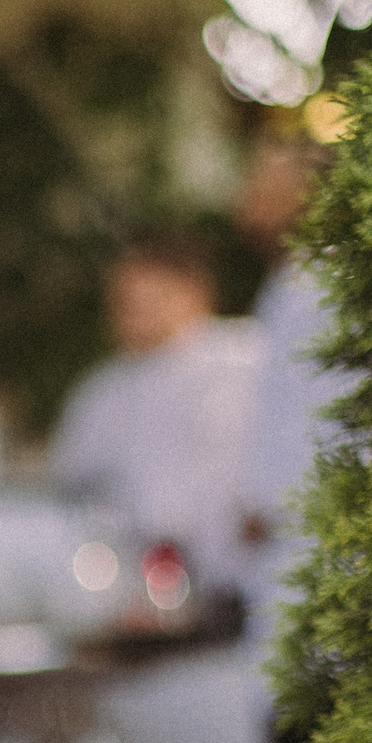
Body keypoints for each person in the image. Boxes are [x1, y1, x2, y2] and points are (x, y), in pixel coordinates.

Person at [48, 229, 264, 601]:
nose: (134, 312)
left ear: (194, 292)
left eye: (150, 297)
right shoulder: (100, 393)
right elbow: (73, 498)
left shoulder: (242, 357)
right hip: (132, 597)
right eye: (123, 302)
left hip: (236, 584)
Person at [233, 134, 353, 638]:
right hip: (287, 556)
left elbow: (341, 421)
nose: (243, 203)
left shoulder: (329, 287)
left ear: (306, 193)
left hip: (328, 552)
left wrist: (271, 506)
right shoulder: (284, 286)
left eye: (261, 186)